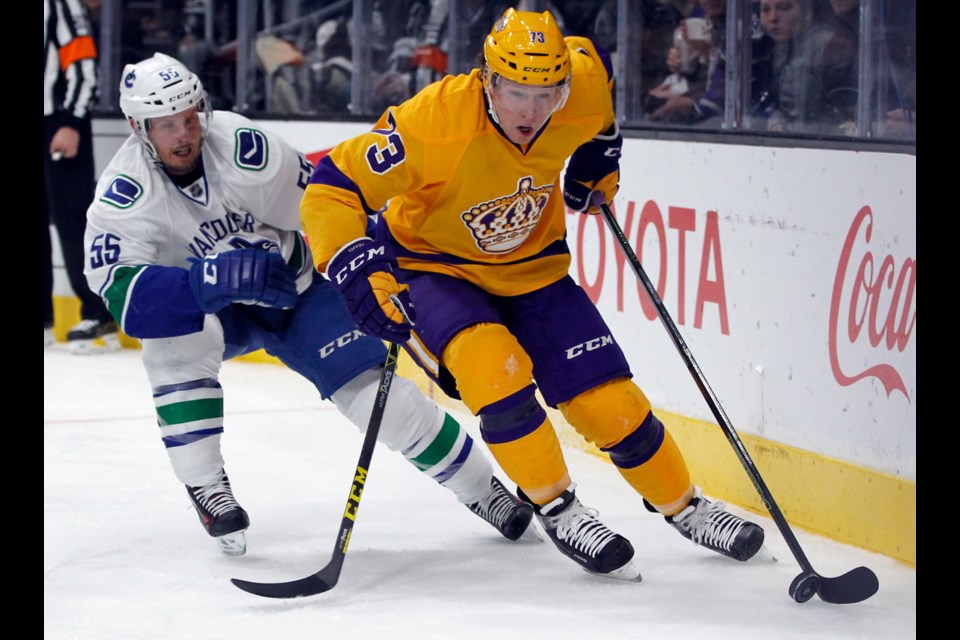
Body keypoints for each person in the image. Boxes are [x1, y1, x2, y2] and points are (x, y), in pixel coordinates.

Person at [299, 7, 765, 582]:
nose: (530, 108)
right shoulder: (435, 120)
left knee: (609, 404)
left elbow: (596, 82)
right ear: (487, 78)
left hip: (534, 268)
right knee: (498, 374)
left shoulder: (581, 85)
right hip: (431, 267)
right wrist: (352, 264)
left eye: (546, 92)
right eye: (515, 90)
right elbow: (331, 187)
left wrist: (603, 148)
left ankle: (686, 506)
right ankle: (559, 506)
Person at [82, 53, 535, 557]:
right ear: (137, 127)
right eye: (168, 125)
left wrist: (369, 257)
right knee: (170, 342)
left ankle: (483, 491)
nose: (185, 133)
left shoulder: (242, 148)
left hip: (295, 294)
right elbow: (124, 297)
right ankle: (206, 484)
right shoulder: (124, 196)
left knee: (379, 398)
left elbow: (325, 202)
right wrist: (205, 282)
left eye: (190, 117)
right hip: (217, 314)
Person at [44, 0, 118, 353]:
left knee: (73, 219)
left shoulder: (61, 4)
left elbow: (84, 64)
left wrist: (72, 121)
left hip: (58, 122)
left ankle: (98, 312)